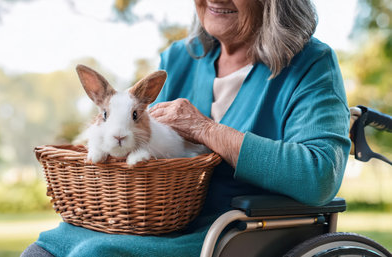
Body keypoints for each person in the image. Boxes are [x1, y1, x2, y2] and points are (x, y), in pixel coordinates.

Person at [21, 0, 351, 256]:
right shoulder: (180, 57)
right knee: (47, 247)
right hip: (152, 219)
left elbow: (319, 175)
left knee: (97, 253)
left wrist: (204, 129)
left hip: (236, 231)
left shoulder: (311, 64)